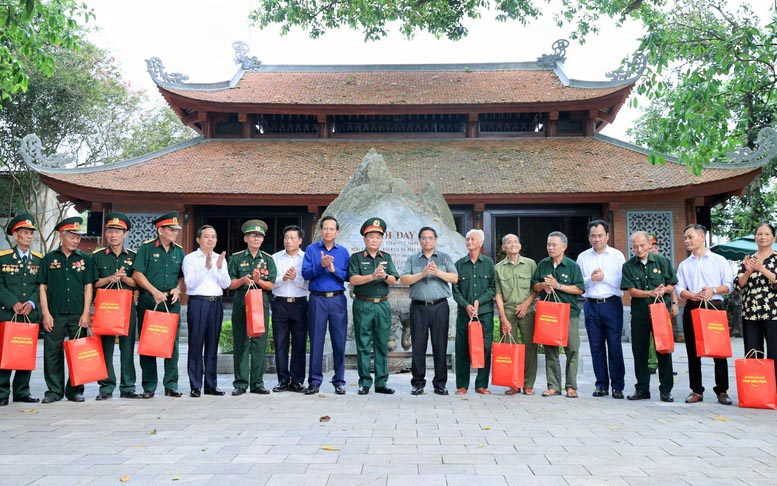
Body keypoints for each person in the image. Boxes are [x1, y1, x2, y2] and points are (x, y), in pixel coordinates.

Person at [675, 223, 734, 405]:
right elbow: (679, 289)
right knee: (693, 350)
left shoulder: (719, 260)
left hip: (714, 307)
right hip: (692, 307)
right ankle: (696, 390)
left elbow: (729, 286)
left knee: (719, 350)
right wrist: (692, 294)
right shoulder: (684, 265)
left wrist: (713, 290)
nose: (687, 241)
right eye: (685, 238)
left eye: (690, 237)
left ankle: (722, 390)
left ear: (702, 237)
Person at [38, 216, 94, 403]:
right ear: (62, 236)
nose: (75, 241)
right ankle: (54, 391)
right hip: (55, 314)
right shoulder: (48, 259)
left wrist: (87, 313)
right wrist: (45, 313)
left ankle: (75, 390)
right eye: (72, 237)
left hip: (78, 314)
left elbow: (88, 287)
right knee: (52, 353)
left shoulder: (85, 259)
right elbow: (42, 288)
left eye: (78, 237)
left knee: (79, 353)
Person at [132, 211, 185, 399]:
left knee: (172, 344)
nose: (175, 232)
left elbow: (181, 276)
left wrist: (178, 289)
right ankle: (149, 386)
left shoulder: (179, 250)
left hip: (171, 303)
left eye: (176, 230)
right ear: (160, 230)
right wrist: (154, 291)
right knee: (149, 343)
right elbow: (137, 274)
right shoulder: (146, 248)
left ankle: (171, 385)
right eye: (171, 229)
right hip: (149, 300)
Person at [400, 227, 458, 396]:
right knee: (418, 345)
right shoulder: (413, 259)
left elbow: (454, 278)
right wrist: (422, 274)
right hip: (418, 307)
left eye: (430, 238)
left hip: (440, 306)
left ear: (435, 240)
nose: (427, 241)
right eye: (423, 238)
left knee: (440, 344)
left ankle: (440, 383)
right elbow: (404, 279)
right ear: (419, 241)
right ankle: (418, 383)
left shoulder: (444, 257)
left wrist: (437, 272)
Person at [621, 231, 677, 402]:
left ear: (649, 245)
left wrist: (664, 290)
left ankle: (666, 390)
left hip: (660, 311)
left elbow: (672, 285)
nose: (639, 249)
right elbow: (631, 291)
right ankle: (642, 389)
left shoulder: (661, 261)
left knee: (663, 350)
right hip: (640, 313)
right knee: (640, 351)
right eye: (635, 246)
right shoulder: (629, 266)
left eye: (642, 245)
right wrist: (650, 292)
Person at [348, 218, 400, 395]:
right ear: (365, 239)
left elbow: (394, 279)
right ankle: (364, 382)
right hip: (363, 303)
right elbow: (353, 279)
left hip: (382, 305)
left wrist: (384, 276)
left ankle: (381, 382)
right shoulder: (356, 258)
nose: (374, 240)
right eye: (371, 237)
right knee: (363, 344)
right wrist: (372, 276)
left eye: (378, 237)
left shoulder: (386, 257)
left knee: (381, 344)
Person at [92, 213, 141, 400]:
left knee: (127, 347)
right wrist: (109, 279)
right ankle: (106, 386)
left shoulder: (134, 257)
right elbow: (91, 283)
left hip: (127, 306)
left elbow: (138, 283)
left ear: (125, 234)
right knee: (105, 348)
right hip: (105, 307)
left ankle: (128, 386)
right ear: (106, 234)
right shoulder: (97, 257)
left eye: (118, 232)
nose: (114, 235)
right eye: (110, 231)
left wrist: (124, 278)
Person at [576, 220, 626, 399]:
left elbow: (623, 281)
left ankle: (618, 386)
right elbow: (579, 282)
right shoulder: (583, 257)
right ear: (589, 238)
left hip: (611, 303)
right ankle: (601, 384)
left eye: (600, 235)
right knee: (595, 346)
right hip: (591, 304)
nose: (596, 239)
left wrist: (604, 278)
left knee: (614, 345)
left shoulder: (617, 255)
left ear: (607, 236)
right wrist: (591, 279)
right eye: (593, 236)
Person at [531, 231, 585, 398]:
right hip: (549, 313)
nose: (550, 248)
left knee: (572, 349)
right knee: (550, 349)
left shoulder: (572, 265)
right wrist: (543, 286)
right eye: (548, 244)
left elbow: (579, 289)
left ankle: (571, 386)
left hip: (569, 313)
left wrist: (558, 285)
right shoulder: (543, 264)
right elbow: (534, 286)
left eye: (554, 245)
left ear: (564, 246)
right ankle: (553, 386)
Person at [301, 215, 350, 395]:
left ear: (337, 232)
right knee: (316, 341)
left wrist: (333, 269)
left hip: (337, 299)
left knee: (339, 341)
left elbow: (348, 276)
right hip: (317, 299)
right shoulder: (312, 250)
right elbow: (305, 273)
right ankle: (314, 381)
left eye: (332, 228)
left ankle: (339, 381)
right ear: (320, 230)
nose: (328, 231)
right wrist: (321, 266)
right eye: (325, 228)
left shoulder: (343, 252)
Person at [228, 220, 277, 395]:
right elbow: (230, 284)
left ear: (263, 239)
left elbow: (271, 285)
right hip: (242, 299)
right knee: (241, 341)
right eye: (252, 235)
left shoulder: (268, 259)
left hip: (260, 299)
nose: (256, 238)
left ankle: (257, 383)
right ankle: (240, 383)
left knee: (259, 341)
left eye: (259, 236)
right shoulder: (236, 258)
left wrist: (258, 281)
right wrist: (243, 280)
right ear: (245, 238)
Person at [183, 225, 231, 397]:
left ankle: (211, 385)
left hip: (216, 304)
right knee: (196, 344)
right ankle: (195, 385)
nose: (210, 239)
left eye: (213, 236)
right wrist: (207, 267)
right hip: (198, 303)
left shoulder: (221, 258)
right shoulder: (190, 259)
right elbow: (190, 284)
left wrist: (218, 268)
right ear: (198, 239)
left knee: (213, 344)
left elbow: (226, 284)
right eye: (206, 236)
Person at [0, 214, 42, 405]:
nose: (29, 236)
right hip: (8, 312)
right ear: (15, 235)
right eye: (25, 233)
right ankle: (2, 393)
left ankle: (22, 392)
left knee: (25, 352)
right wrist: (13, 303)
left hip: (29, 314)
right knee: (5, 353)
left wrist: (32, 303)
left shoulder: (39, 260)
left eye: (31, 233)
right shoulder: (3, 258)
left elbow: (40, 286)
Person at [452, 229, 495, 395]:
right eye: (467, 239)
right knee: (462, 347)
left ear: (481, 243)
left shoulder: (489, 263)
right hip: (465, 314)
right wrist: (466, 305)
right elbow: (455, 290)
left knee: (484, 348)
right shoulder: (459, 264)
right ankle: (462, 385)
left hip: (484, 313)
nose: (469, 242)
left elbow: (493, 288)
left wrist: (478, 302)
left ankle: (481, 385)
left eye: (472, 239)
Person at [494, 234, 537, 395]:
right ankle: (512, 383)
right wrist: (503, 318)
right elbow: (497, 294)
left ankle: (528, 384)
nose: (513, 244)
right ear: (503, 247)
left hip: (528, 311)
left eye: (516, 241)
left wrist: (526, 304)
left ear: (520, 245)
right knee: (508, 347)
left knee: (529, 348)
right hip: (508, 312)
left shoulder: (530, 264)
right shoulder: (498, 268)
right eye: (509, 242)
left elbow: (536, 288)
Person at [735, 222, 777, 387]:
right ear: (755, 238)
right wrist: (749, 271)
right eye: (760, 234)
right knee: (753, 352)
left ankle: (774, 390)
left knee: (774, 352)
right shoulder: (748, 260)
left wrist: (762, 269)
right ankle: (756, 390)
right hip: (750, 313)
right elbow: (738, 286)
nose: (763, 237)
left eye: (767, 234)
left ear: (773, 237)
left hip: (773, 313)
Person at [271, 224, 308, 393]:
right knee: (280, 343)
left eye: (292, 238)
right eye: (286, 238)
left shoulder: (306, 258)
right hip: (280, 303)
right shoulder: (275, 258)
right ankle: (283, 380)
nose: (288, 241)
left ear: (300, 240)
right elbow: (270, 282)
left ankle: (298, 380)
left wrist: (296, 278)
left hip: (300, 303)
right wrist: (283, 279)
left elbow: (310, 283)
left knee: (299, 343)